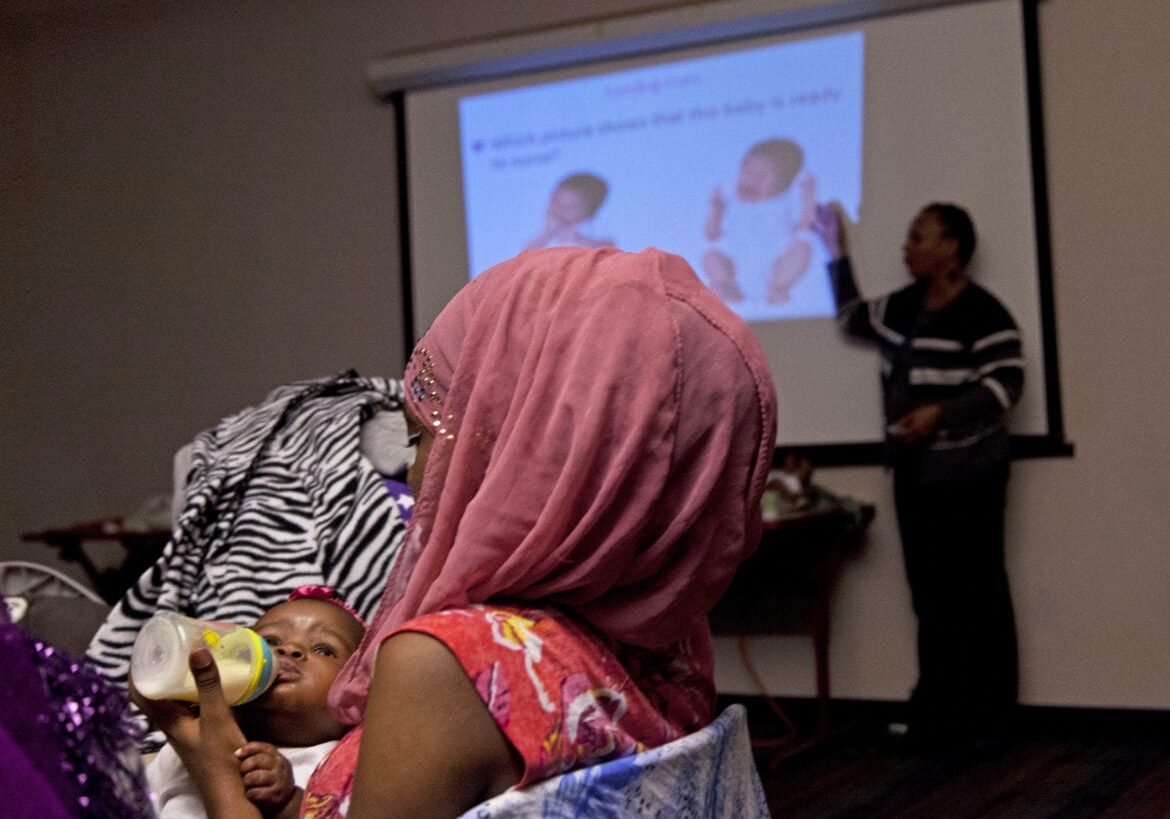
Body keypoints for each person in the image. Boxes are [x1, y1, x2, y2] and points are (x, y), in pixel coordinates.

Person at [151, 246, 777, 819]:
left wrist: (211, 769)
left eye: (424, 435)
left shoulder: (445, 664)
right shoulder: (675, 637)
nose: (417, 468)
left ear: (520, 462)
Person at [811, 202, 1024, 749]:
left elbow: (1005, 385)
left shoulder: (985, 313)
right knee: (930, 597)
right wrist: (835, 252)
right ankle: (939, 713)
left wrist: (940, 415)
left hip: (970, 475)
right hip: (914, 475)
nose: (907, 247)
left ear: (951, 246)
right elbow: (853, 317)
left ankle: (992, 719)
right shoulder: (902, 307)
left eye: (918, 237)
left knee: (979, 594)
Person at [136, 586, 366, 819]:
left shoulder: (345, 764)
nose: (289, 649)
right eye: (269, 640)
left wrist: (287, 803)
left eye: (323, 649)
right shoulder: (187, 744)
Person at [703, 138, 817, 305]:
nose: (752, 179)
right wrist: (715, 210)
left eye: (762, 175)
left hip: (778, 258)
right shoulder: (729, 198)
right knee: (711, 256)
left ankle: (778, 287)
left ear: (784, 182)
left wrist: (809, 197)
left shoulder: (785, 200)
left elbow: (804, 226)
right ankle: (728, 287)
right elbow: (711, 235)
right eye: (747, 170)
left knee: (802, 250)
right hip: (735, 262)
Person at [523, 172, 615, 251]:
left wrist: (574, 238)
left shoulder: (598, 239)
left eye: (569, 206)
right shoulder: (540, 234)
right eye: (556, 201)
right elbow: (523, 260)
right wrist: (547, 234)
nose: (559, 209)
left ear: (587, 214)